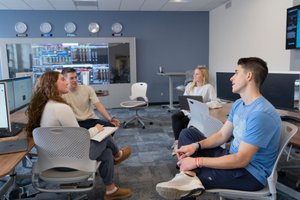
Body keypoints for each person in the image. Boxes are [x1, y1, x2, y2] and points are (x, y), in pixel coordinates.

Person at [156, 57, 282, 199]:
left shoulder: (261, 114)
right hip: (232, 158)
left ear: (249, 76)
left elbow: (241, 160)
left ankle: (186, 178)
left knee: (195, 175)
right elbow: (222, 135)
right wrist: (196, 146)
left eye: (236, 73)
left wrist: (197, 161)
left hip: (249, 174)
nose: (231, 78)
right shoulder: (239, 104)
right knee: (187, 134)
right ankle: (187, 177)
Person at [25, 71, 132, 200]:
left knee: (106, 152)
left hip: (54, 159)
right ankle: (118, 155)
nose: (67, 82)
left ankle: (111, 191)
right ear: (52, 85)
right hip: (70, 161)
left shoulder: (46, 105)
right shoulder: (61, 108)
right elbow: (80, 138)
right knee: (105, 136)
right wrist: (95, 130)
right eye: (62, 80)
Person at [171, 66, 216, 156]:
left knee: (184, 122)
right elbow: (184, 98)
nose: (194, 76)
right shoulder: (190, 86)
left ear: (203, 76)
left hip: (198, 113)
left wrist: (203, 105)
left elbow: (216, 101)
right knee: (175, 116)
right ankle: (177, 142)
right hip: (187, 111)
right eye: (194, 74)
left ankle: (181, 145)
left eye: (197, 74)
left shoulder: (208, 87)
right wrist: (185, 106)